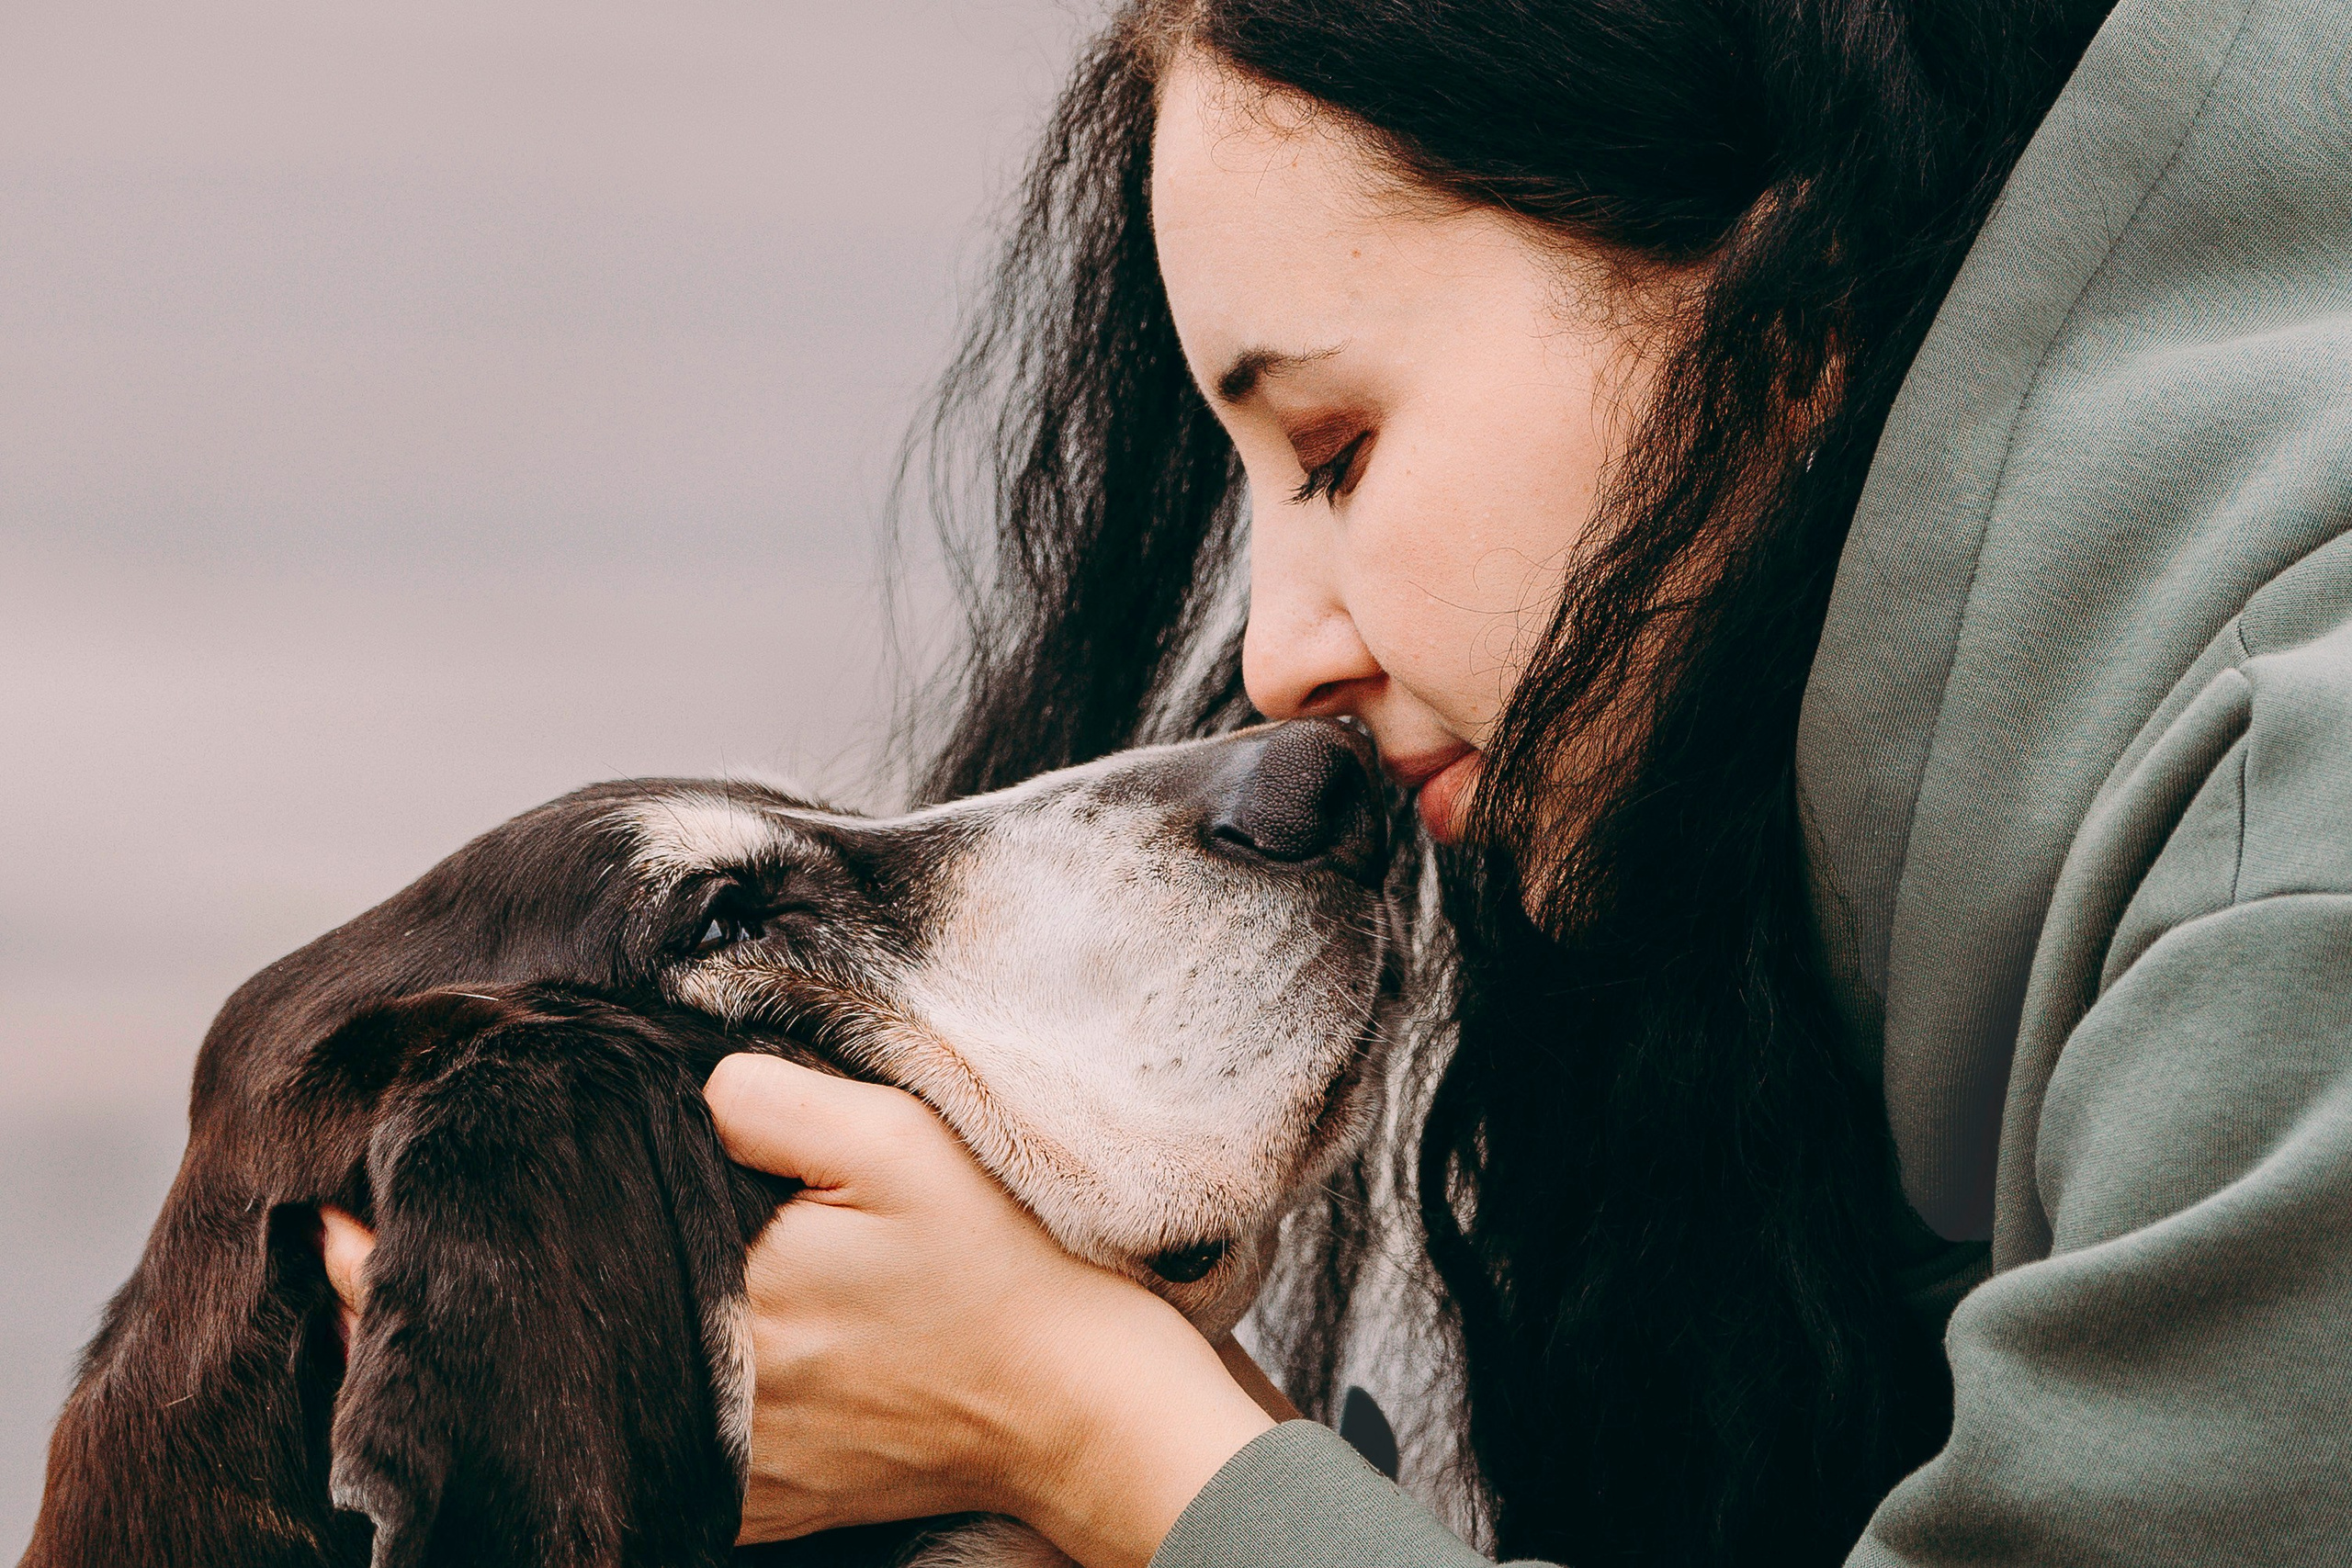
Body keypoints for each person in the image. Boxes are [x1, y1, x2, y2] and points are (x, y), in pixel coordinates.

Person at [325, 0, 2352, 1562]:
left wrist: (1107, 1432)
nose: (1280, 649)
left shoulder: (2298, 873)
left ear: (1784, 298)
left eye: (1333, 450)